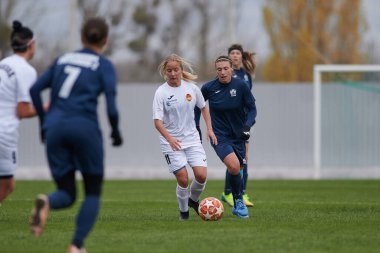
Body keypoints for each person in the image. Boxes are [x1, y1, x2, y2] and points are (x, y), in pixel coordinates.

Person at [29, 17, 123, 253]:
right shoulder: (103, 65)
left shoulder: (62, 60)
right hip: (84, 128)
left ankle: (48, 201)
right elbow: (111, 106)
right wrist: (115, 131)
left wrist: (43, 122)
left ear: (81, 38)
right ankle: (76, 245)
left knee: (67, 193)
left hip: (55, 128)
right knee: (92, 191)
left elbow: (35, 89)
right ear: (105, 40)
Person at [153, 54, 217, 221]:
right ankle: (184, 214)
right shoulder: (161, 92)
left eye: (176, 70)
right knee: (183, 178)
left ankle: (193, 201)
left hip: (192, 139)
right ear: (165, 72)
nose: (173, 73)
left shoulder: (192, 88)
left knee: (201, 176)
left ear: (181, 70)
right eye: (169, 70)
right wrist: (170, 139)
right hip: (171, 141)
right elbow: (157, 122)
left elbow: (204, 108)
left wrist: (209, 129)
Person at [200, 56, 257, 218]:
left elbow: (252, 109)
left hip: (239, 135)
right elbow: (198, 107)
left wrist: (247, 126)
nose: (223, 72)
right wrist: (203, 128)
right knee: (233, 166)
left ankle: (232, 196)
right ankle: (239, 201)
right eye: (219, 69)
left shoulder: (241, 86)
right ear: (215, 70)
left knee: (238, 168)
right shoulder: (208, 88)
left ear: (232, 68)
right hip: (219, 136)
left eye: (226, 68)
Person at [0, 20, 39, 205]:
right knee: (7, 185)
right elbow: (23, 111)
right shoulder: (26, 70)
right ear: (31, 45)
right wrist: (46, 108)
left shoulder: (4, 63)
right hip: (3, 133)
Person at [221, 44, 256, 208]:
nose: (235, 56)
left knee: (244, 157)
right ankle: (229, 192)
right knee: (235, 158)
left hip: (245, 121)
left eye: (237, 53)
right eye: (232, 53)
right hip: (231, 122)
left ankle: (239, 192)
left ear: (241, 56)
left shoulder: (247, 75)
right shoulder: (227, 74)